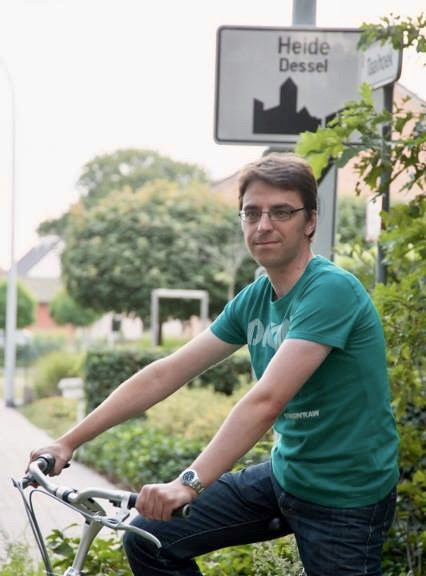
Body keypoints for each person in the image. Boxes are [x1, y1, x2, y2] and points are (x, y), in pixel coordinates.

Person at [29, 153, 399, 576]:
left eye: (281, 212)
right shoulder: (255, 298)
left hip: (346, 494)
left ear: (310, 221)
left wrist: (188, 484)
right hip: (288, 475)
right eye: (252, 213)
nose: (264, 225)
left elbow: (266, 401)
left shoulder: (330, 290)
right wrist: (68, 441)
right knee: (150, 539)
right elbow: (166, 373)